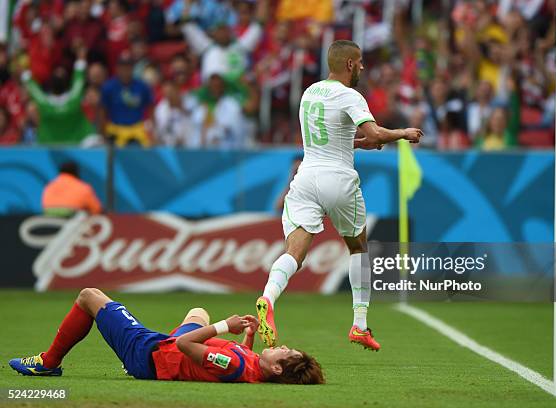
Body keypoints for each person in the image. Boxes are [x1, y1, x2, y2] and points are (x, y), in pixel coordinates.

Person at [256, 40, 422, 351]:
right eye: (359, 62)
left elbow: (331, 138)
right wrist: (402, 133)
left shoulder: (310, 92)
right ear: (349, 64)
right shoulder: (350, 95)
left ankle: (268, 297)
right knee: (358, 246)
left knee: (294, 252)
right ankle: (359, 324)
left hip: (306, 177)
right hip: (339, 178)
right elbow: (374, 133)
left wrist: (358, 143)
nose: (362, 67)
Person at [9, 288, 324, 385]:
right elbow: (243, 358)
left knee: (89, 297)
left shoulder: (232, 365)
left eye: (285, 351)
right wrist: (250, 336)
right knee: (197, 312)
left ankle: (48, 362)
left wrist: (226, 325)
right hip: (173, 347)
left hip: (150, 355)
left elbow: (187, 345)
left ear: (279, 368)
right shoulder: (255, 368)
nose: (282, 346)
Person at [101, 52, 153, 147]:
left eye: (128, 67)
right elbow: (102, 112)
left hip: (137, 129)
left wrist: (151, 129)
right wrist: (103, 135)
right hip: (115, 129)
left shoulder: (143, 86)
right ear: (117, 68)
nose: (125, 70)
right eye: (122, 66)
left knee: (144, 150)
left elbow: (150, 108)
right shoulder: (108, 87)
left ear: (133, 68)